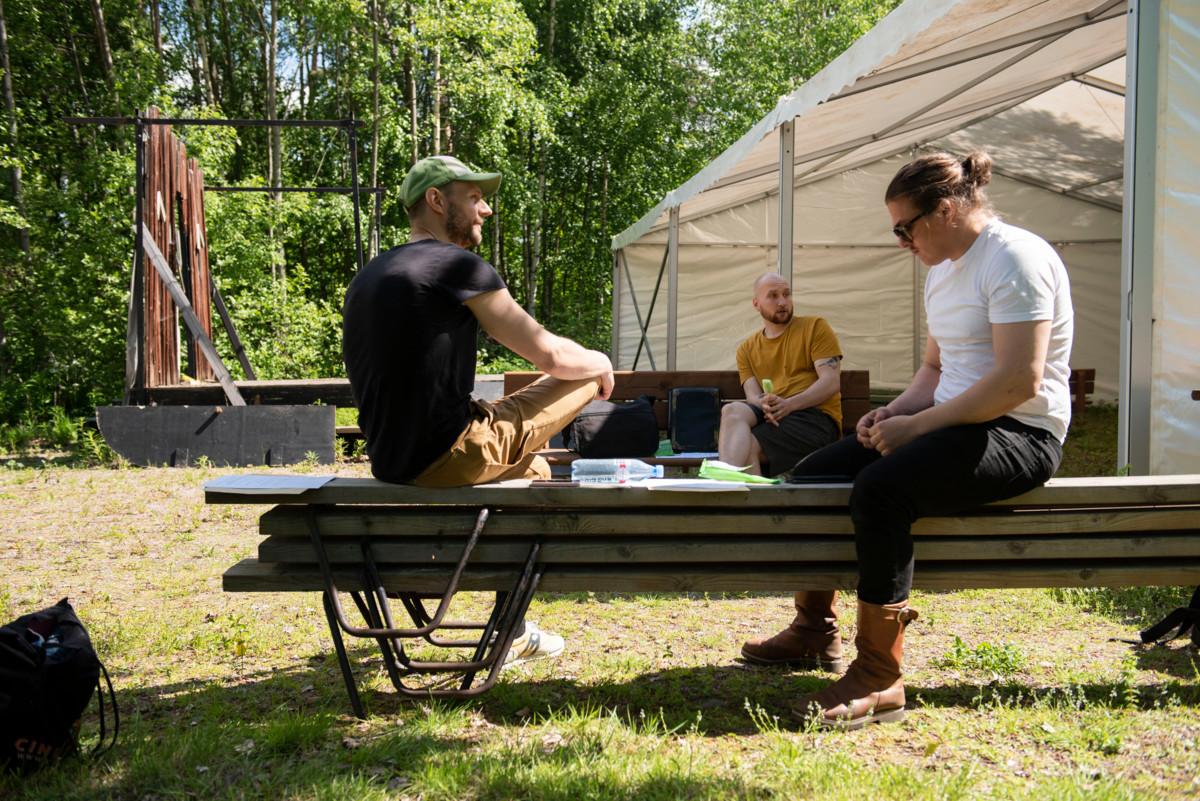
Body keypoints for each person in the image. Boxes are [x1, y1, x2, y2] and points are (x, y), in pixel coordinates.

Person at [787, 151, 1073, 729]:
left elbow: (1020, 382)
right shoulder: (942, 268)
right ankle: (814, 630)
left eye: (903, 228)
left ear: (944, 210)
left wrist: (916, 428)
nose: (901, 243)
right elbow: (935, 372)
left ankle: (880, 676)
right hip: (953, 424)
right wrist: (891, 412)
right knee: (811, 475)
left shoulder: (1015, 257)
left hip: (1021, 433)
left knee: (881, 489)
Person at [342, 154, 615, 663]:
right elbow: (548, 353)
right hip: (449, 455)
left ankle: (511, 626)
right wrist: (600, 360)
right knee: (585, 376)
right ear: (436, 200)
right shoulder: (457, 265)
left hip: (391, 459)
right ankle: (508, 631)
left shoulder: (371, 274)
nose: (485, 210)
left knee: (533, 470)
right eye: (475, 197)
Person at [718, 273, 846, 671]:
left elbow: (829, 384)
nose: (783, 301)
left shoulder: (814, 328)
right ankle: (748, 509)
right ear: (757, 304)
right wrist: (768, 404)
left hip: (816, 421)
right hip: (780, 420)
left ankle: (737, 519)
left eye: (787, 293)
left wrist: (789, 404)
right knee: (734, 411)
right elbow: (753, 395)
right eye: (773, 295)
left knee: (747, 432)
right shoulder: (747, 348)